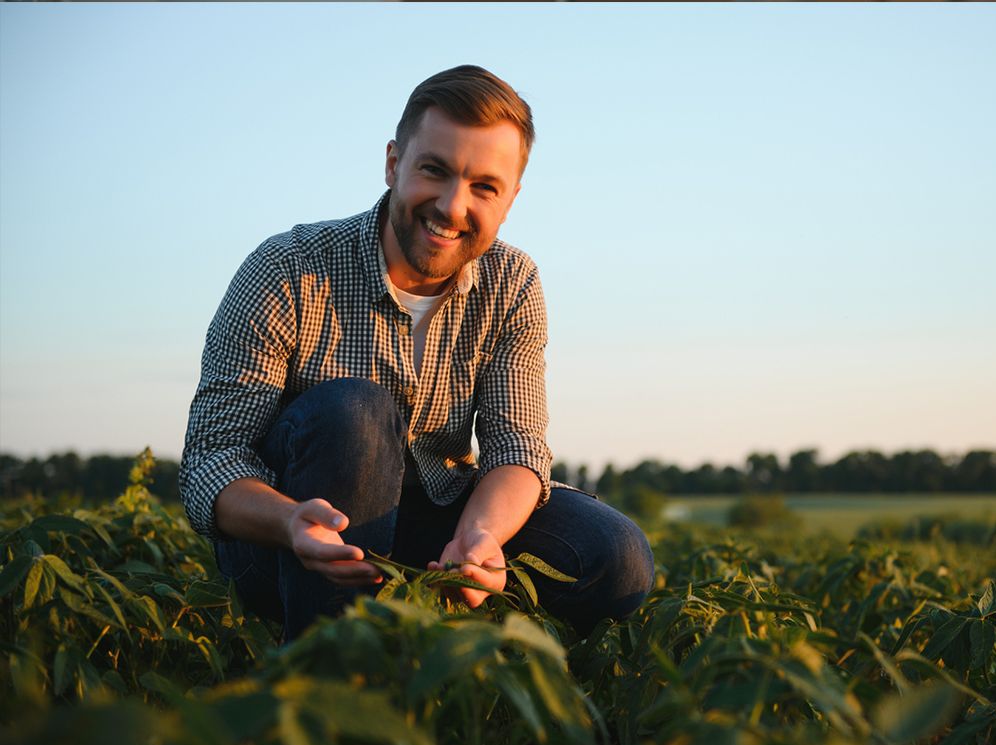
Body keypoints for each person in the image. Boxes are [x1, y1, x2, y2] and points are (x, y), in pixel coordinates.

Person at [179, 65, 654, 641]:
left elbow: (518, 447)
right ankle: (329, 669)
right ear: (392, 164)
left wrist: (480, 537)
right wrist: (288, 521)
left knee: (615, 556)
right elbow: (213, 457)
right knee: (354, 412)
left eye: (484, 186)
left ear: (511, 199)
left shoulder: (513, 282)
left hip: (433, 513)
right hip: (291, 538)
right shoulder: (288, 268)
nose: (453, 207)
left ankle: (454, 629)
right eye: (435, 170)